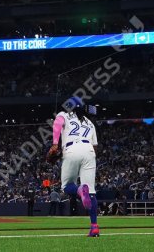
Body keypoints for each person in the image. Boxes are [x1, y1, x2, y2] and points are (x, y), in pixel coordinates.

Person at [48, 97, 100, 237]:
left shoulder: (64, 114)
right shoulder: (90, 123)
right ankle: (94, 226)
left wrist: (54, 144)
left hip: (71, 149)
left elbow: (58, 123)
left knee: (66, 186)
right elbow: (95, 147)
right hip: (89, 151)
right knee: (91, 193)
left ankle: (78, 190)